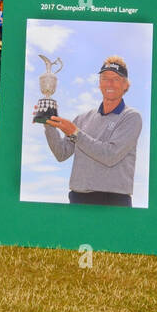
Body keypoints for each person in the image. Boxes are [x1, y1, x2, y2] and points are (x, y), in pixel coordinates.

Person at [43, 57, 142, 206]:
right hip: (78, 198)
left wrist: (75, 133)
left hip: (113, 201)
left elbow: (110, 155)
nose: (109, 83)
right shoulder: (82, 118)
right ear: (100, 84)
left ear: (125, 85)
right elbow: (61, 153)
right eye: (105, 78)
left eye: (115, 79)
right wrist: (49, 125)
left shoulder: (131, 117)